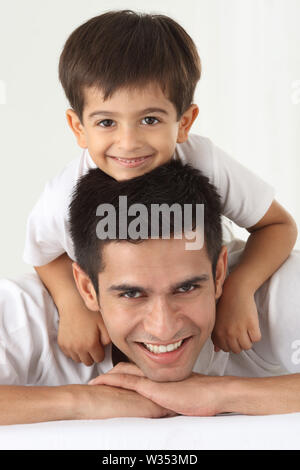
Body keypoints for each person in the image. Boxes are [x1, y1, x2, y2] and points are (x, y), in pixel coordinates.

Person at [23, 10, 297, 367]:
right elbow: (43, 256)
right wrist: (72, 305)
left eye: (150, 120)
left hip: (202, 301)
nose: (128, 142)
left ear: (184, 123)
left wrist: (237, 289)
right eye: (106, 122)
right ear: (78, 128)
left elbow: (278, 226)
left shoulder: (205, 161)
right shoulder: (65, 196)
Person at [2, 161, 300, 425]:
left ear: (219, 273)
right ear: (86, 288)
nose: (163, 327)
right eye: (131, 294)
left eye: (186, 288)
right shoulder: (27, 313)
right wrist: (84, 402)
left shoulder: (272, 290)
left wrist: (220, 392)